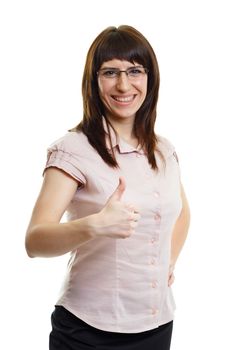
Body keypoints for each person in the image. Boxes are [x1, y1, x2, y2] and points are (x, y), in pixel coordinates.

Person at [25, 25, 190, 350]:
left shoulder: (163, 149)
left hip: (157, 324)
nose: (123, 84)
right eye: (110, 72)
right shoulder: (74, 149)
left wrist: (166, 262)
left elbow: (181, 211)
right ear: (94, 81)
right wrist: (94, 225)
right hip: (88, 331)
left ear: (149, 78)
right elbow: (34, 240)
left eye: (134, 71)